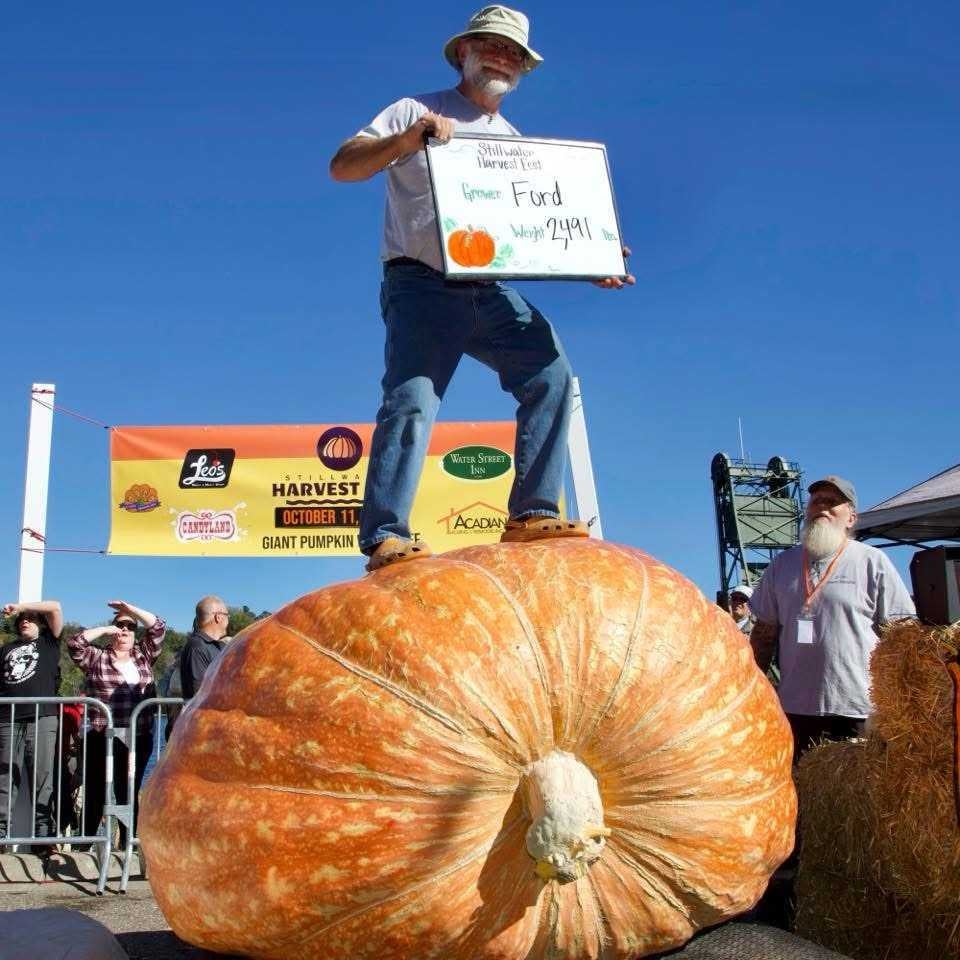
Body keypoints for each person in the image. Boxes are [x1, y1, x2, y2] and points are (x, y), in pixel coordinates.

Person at [330, 5, 635, 571]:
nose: (502, 56)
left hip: (485, 287)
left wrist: (590, 254)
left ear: (522, 69)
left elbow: (530, 230)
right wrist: (406, 139)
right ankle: (386, 535)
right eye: (491, 44)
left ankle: (532, 513)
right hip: (419, 283)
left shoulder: (516, 146)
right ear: (463, 52)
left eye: (514, 52)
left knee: (551, 373)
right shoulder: (415, 109)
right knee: (412, 400)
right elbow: (343, 166)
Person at [749, 475, 915, 761]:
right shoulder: (782, 564)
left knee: (858, 799)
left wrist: (899, 702)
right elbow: (764, 632)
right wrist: (749, 688)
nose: (822, 507)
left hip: (856, 706)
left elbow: (900, 634)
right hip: (794, 708)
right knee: (797, 795)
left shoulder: (871, 561)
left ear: (851, 517)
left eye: (833, 502)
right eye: (816, 501)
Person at [67, 600, 165, 845]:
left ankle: (128, 846)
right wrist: (103, 630)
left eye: (130, 627)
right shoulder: (97, 658)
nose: (124, 631)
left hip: (137, 737)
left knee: (127, 790)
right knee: (95, 790)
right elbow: (75, 644)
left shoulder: (143, 656)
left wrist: (131, 610)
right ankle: (85, 846)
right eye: (120, 626)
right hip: (101, 735)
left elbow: (158, 627)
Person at [0, 600, 63, 853]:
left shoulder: (49, 643)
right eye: (21, 619)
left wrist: (21, 606)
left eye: (31, 618)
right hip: (7, 719)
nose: (25, 621)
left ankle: (44, 839)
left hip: (42, 718)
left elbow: (56, 608)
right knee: (5, 778)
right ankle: (1, 835)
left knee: (42, 778)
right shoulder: (6, 649)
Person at [179, 596, 231, 701]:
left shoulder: (219, 647)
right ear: (218, 617)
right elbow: (199, 693)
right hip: (208, 715)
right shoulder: (196, 647)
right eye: (227, 615)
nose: (228, 620)